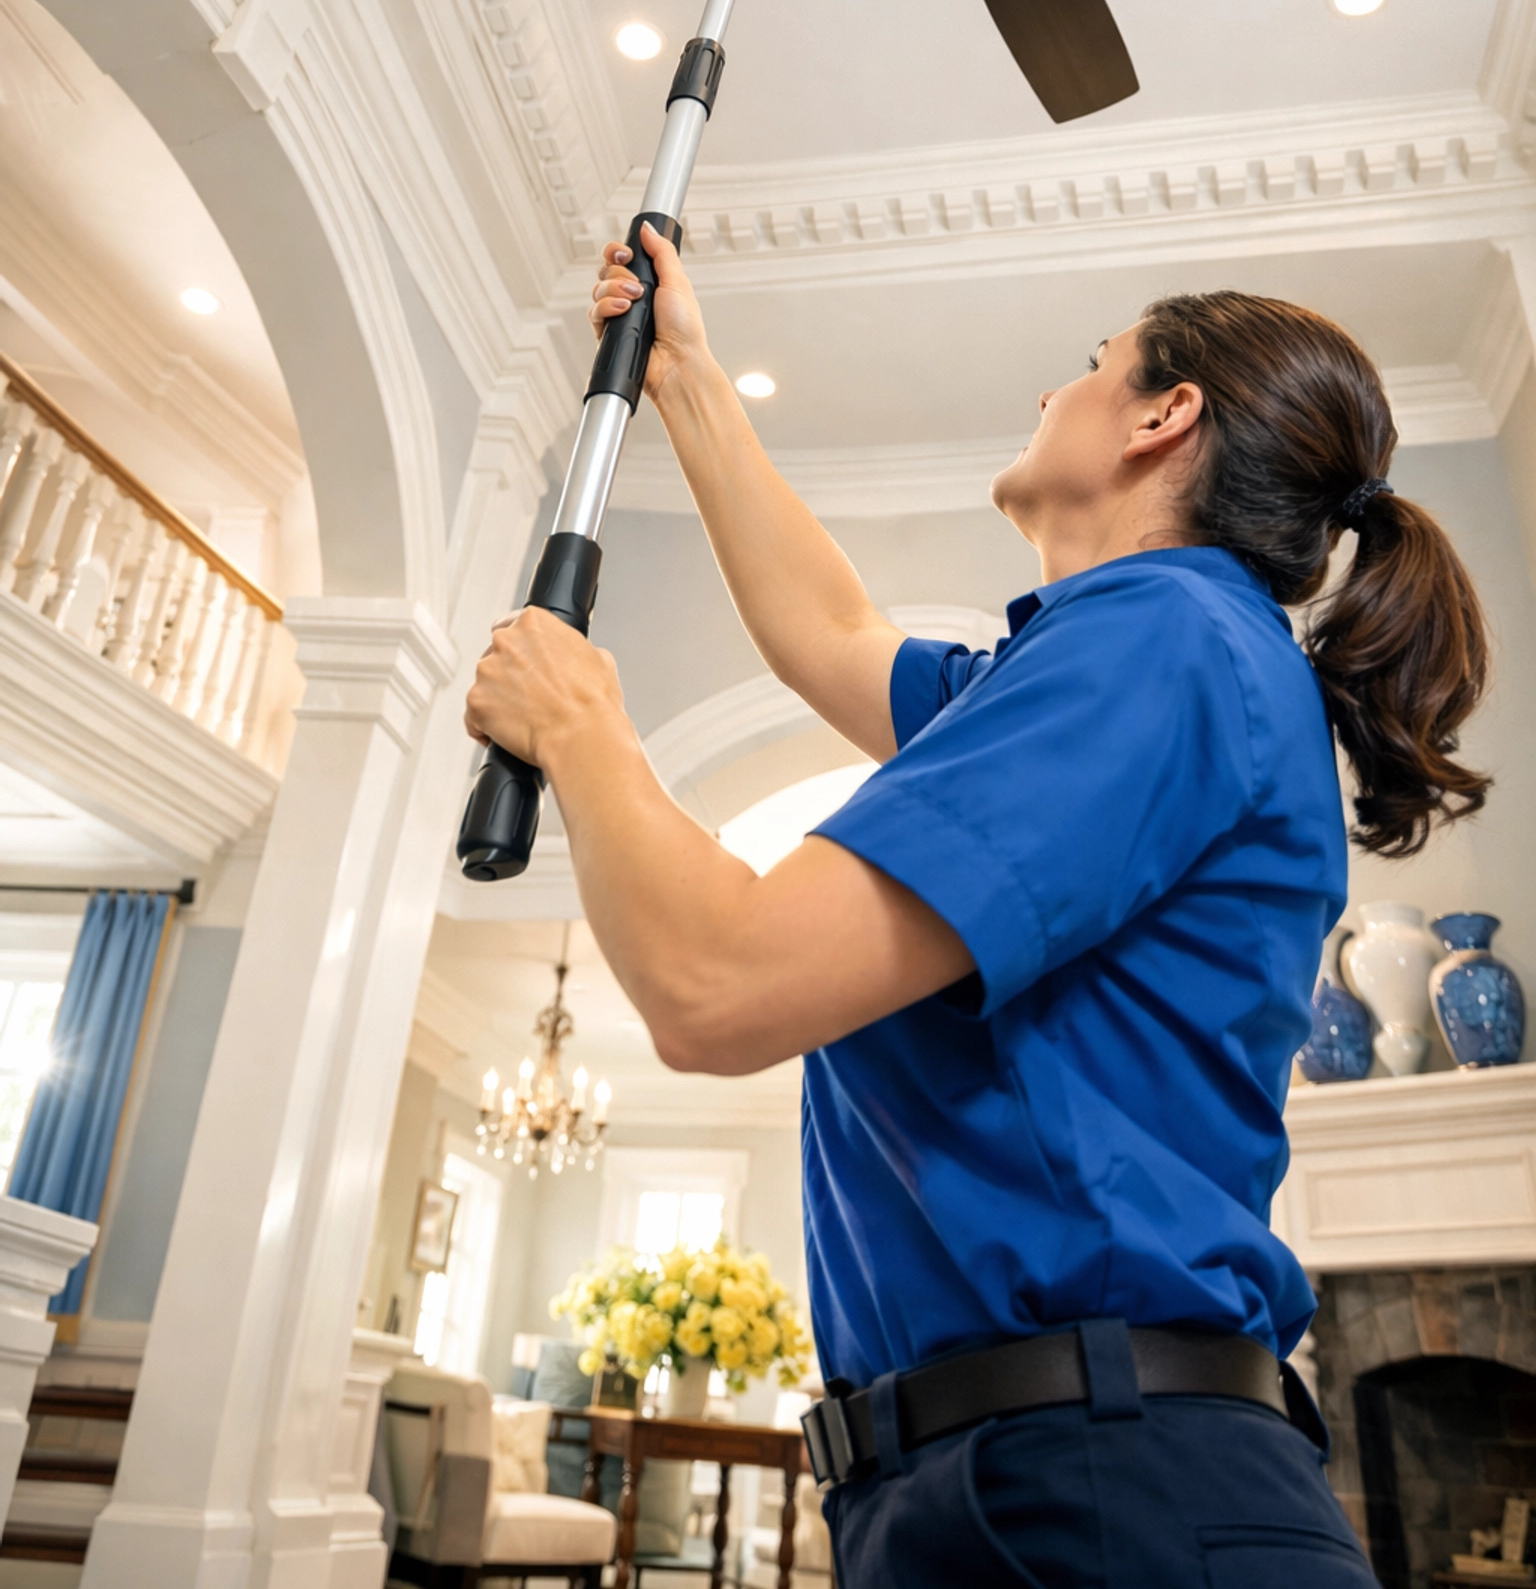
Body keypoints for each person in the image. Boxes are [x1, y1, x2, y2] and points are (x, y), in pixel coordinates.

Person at [465, 225, 1491, 1588]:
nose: (1053, 391)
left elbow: (719, 982)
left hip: (1096, 1495)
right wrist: (690, 377)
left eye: (1092, 365)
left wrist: (585, 727)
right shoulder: (1100, 669)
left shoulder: (1162, 641)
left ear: (1164, 416)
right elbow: (829, 635)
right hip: (1014, 1480)